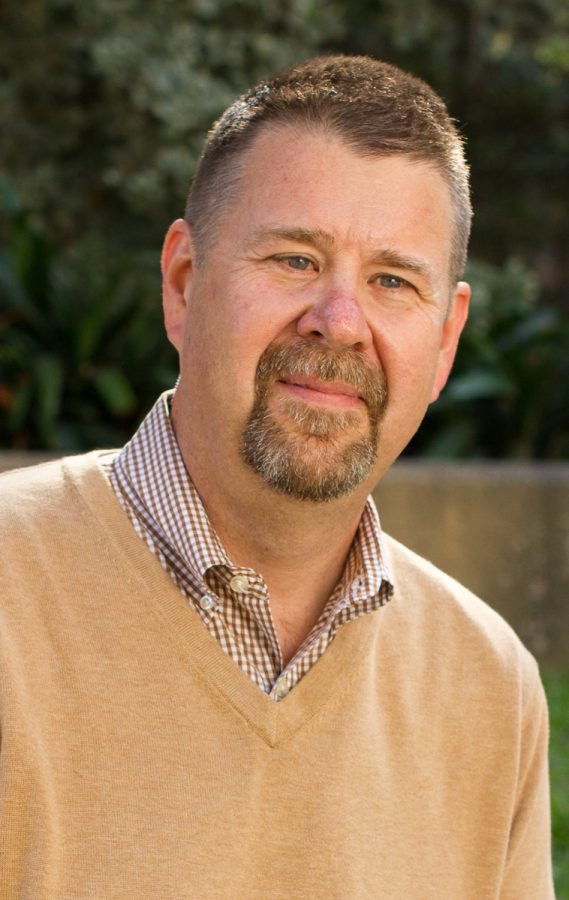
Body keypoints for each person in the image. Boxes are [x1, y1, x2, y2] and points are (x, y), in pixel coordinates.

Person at [0, 56, 553, 899]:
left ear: (444, 343)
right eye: (294, 259)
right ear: (183, 284)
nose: (338, 322)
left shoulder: (487, 687)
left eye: (392, 281)